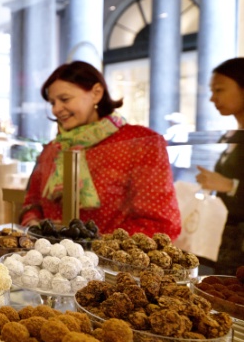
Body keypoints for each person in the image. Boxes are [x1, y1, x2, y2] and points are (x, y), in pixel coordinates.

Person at [20, 61, 181, 239]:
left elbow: (159, 223)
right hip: (49, 259)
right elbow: (32, 202)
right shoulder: (54, 148)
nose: (56, 109)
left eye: (64, 99)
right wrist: (36, 226)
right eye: (52, 103)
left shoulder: (140, 142)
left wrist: (93, 245)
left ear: (96, 93)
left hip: (113, 263)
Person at [196, 57, 244, 274]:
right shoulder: (231, 136)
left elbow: (229, 184)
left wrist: (229, 185)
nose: (212, 98)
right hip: (225, 244)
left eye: (219, 89)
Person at [163, 112, 193, 182]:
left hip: (174, 161)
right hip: (183, 160)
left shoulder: (173, 130)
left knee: (172, 179)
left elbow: (164, 139)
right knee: (179, 178)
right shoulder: (186, 129)